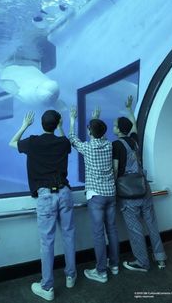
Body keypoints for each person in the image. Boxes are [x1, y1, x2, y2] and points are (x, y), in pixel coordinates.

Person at [9, 110, 76, 301]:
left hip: (46, 196)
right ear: (57, 124)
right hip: (65, 193)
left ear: (41, 123)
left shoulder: (32, 142)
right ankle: (71, 276)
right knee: (69, 236)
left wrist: (24, 125)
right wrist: (65, 124)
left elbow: (11, 143)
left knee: (47, 243)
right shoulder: (63, 142)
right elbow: (66, 140)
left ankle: (47, 287)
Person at [112, 96, 167, 272]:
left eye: (114, 125)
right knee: (152, 225)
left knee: (135, 230)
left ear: (119, 130)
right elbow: (134, 126)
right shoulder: (134, 141)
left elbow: (115, 170)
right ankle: (160, 258)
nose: (113, 127)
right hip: (144, 189)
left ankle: (142, 262)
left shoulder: (116, 145)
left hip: (128, 194)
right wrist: (129, 109)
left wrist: (113, 189)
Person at [69, 106, 119, 283]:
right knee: (112, 230)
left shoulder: (88, 148)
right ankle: (114, 265)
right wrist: (97, 119)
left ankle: (101, 272)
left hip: (96, 196)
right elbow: (100, 133)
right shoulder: (109, 145)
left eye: (90, 128)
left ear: (90, 132)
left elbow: (72, 139)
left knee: (98, 234)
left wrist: (72, 119)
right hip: (111, 194)